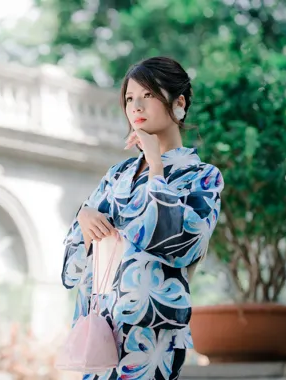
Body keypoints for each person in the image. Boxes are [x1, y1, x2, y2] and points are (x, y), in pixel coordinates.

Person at [61, 56, 224, 380]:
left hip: (153, 332)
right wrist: (84, 216)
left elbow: (183, 246)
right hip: (101, 329)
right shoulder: (116, 175)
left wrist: (156, 168)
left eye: (148, 95)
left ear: (179, 103)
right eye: (129, 98)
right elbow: (72, 267)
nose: (136, 106)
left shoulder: (202, 177)